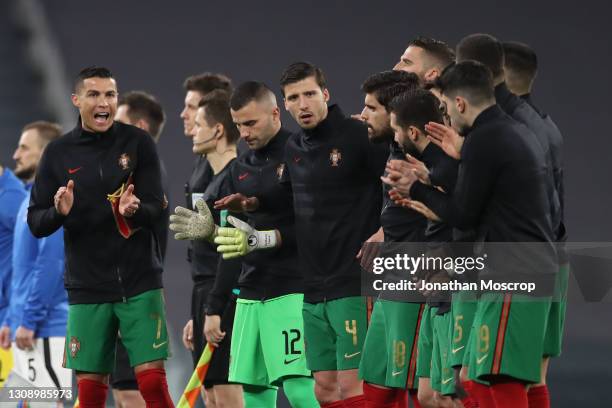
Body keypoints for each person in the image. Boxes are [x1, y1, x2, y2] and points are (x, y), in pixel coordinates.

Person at [383, 61, 557, 408]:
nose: (446, 116)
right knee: (484, 377)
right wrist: (442, 174)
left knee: (498, 378)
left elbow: (462, 213)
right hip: (525, 265)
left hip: (513, 269)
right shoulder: (511, 132)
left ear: (459, 104)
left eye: (445, 107)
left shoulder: (485, 140)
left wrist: (417, 188)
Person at [27, 66, 173, 408]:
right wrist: (58, 213)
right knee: (91, 392)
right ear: (77, 100)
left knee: (151, 382)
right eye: (94, 94)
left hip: (138, 282)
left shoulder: (138, 144)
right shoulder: (58, 153)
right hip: (87, 285)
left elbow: (158, 208)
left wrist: (135, 210)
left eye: (110, 94)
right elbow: (36, 222)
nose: (103, 101)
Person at [280, 62, 388, 408]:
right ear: (285, 104)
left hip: (353, 279)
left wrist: (387, 231)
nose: (303, 104)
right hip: (312, 285)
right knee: (323, 388)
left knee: (352, 384)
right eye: (293, 98)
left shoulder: (358, 135)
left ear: (325, 94)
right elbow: (284, 205)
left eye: (310, 94)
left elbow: (402, 185)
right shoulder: (294, 147)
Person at [211, 81, 317, 407]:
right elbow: (234, 241)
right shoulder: (240, 167)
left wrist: (258, 237)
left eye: (251, 123)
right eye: (239, 124)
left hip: (292, 288)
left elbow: (311, 226)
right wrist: (215, 306)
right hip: (251, 292)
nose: (244, 132)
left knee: (300, 389)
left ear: (275, 113)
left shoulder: (301, 154)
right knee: (255, 394)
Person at [357, 70, 427, 408]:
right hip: (390, 277)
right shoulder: (393, 147)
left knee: (425, 392)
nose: (364, 116)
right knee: (377, 387)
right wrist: (385, 230)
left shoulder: (422, 154)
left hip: (416, 280)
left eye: (371, 109)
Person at [503, 40, 568, 408]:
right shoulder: (546, 125)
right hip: (551, 255)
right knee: (531, 376)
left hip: (523, 259)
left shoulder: (514, 131)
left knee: (502, 377)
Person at [180, 90, 245, 408]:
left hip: (223, 295)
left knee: (225, 389)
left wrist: (215, 308)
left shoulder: (234, 179)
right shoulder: (214, 179)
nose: (192, 128)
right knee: (211, 392)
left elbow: (233, 253)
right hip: (206, 292)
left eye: (199, 123)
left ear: (218, 130)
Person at [0, 121, 70, 400]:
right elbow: (23, 269)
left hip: (45, 327)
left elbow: (50, 265)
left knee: (45, 404)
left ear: (45, 154)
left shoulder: (54, 201)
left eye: (24, 148)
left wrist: (28, 320)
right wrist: (11, 319)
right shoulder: (30, 197)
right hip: (25, 327)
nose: (16, 155)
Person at [112, 90, 168, 408]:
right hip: (126, 293)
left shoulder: (144, 178)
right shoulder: (142, 174)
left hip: (132, 294)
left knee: (132, 391)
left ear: (140, 128)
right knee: (124, 389)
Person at [0, 154, 27, 386]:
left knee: (18, 397)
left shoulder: (13, 198)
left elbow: (31, 259)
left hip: (8, 321)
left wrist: (12, 316)